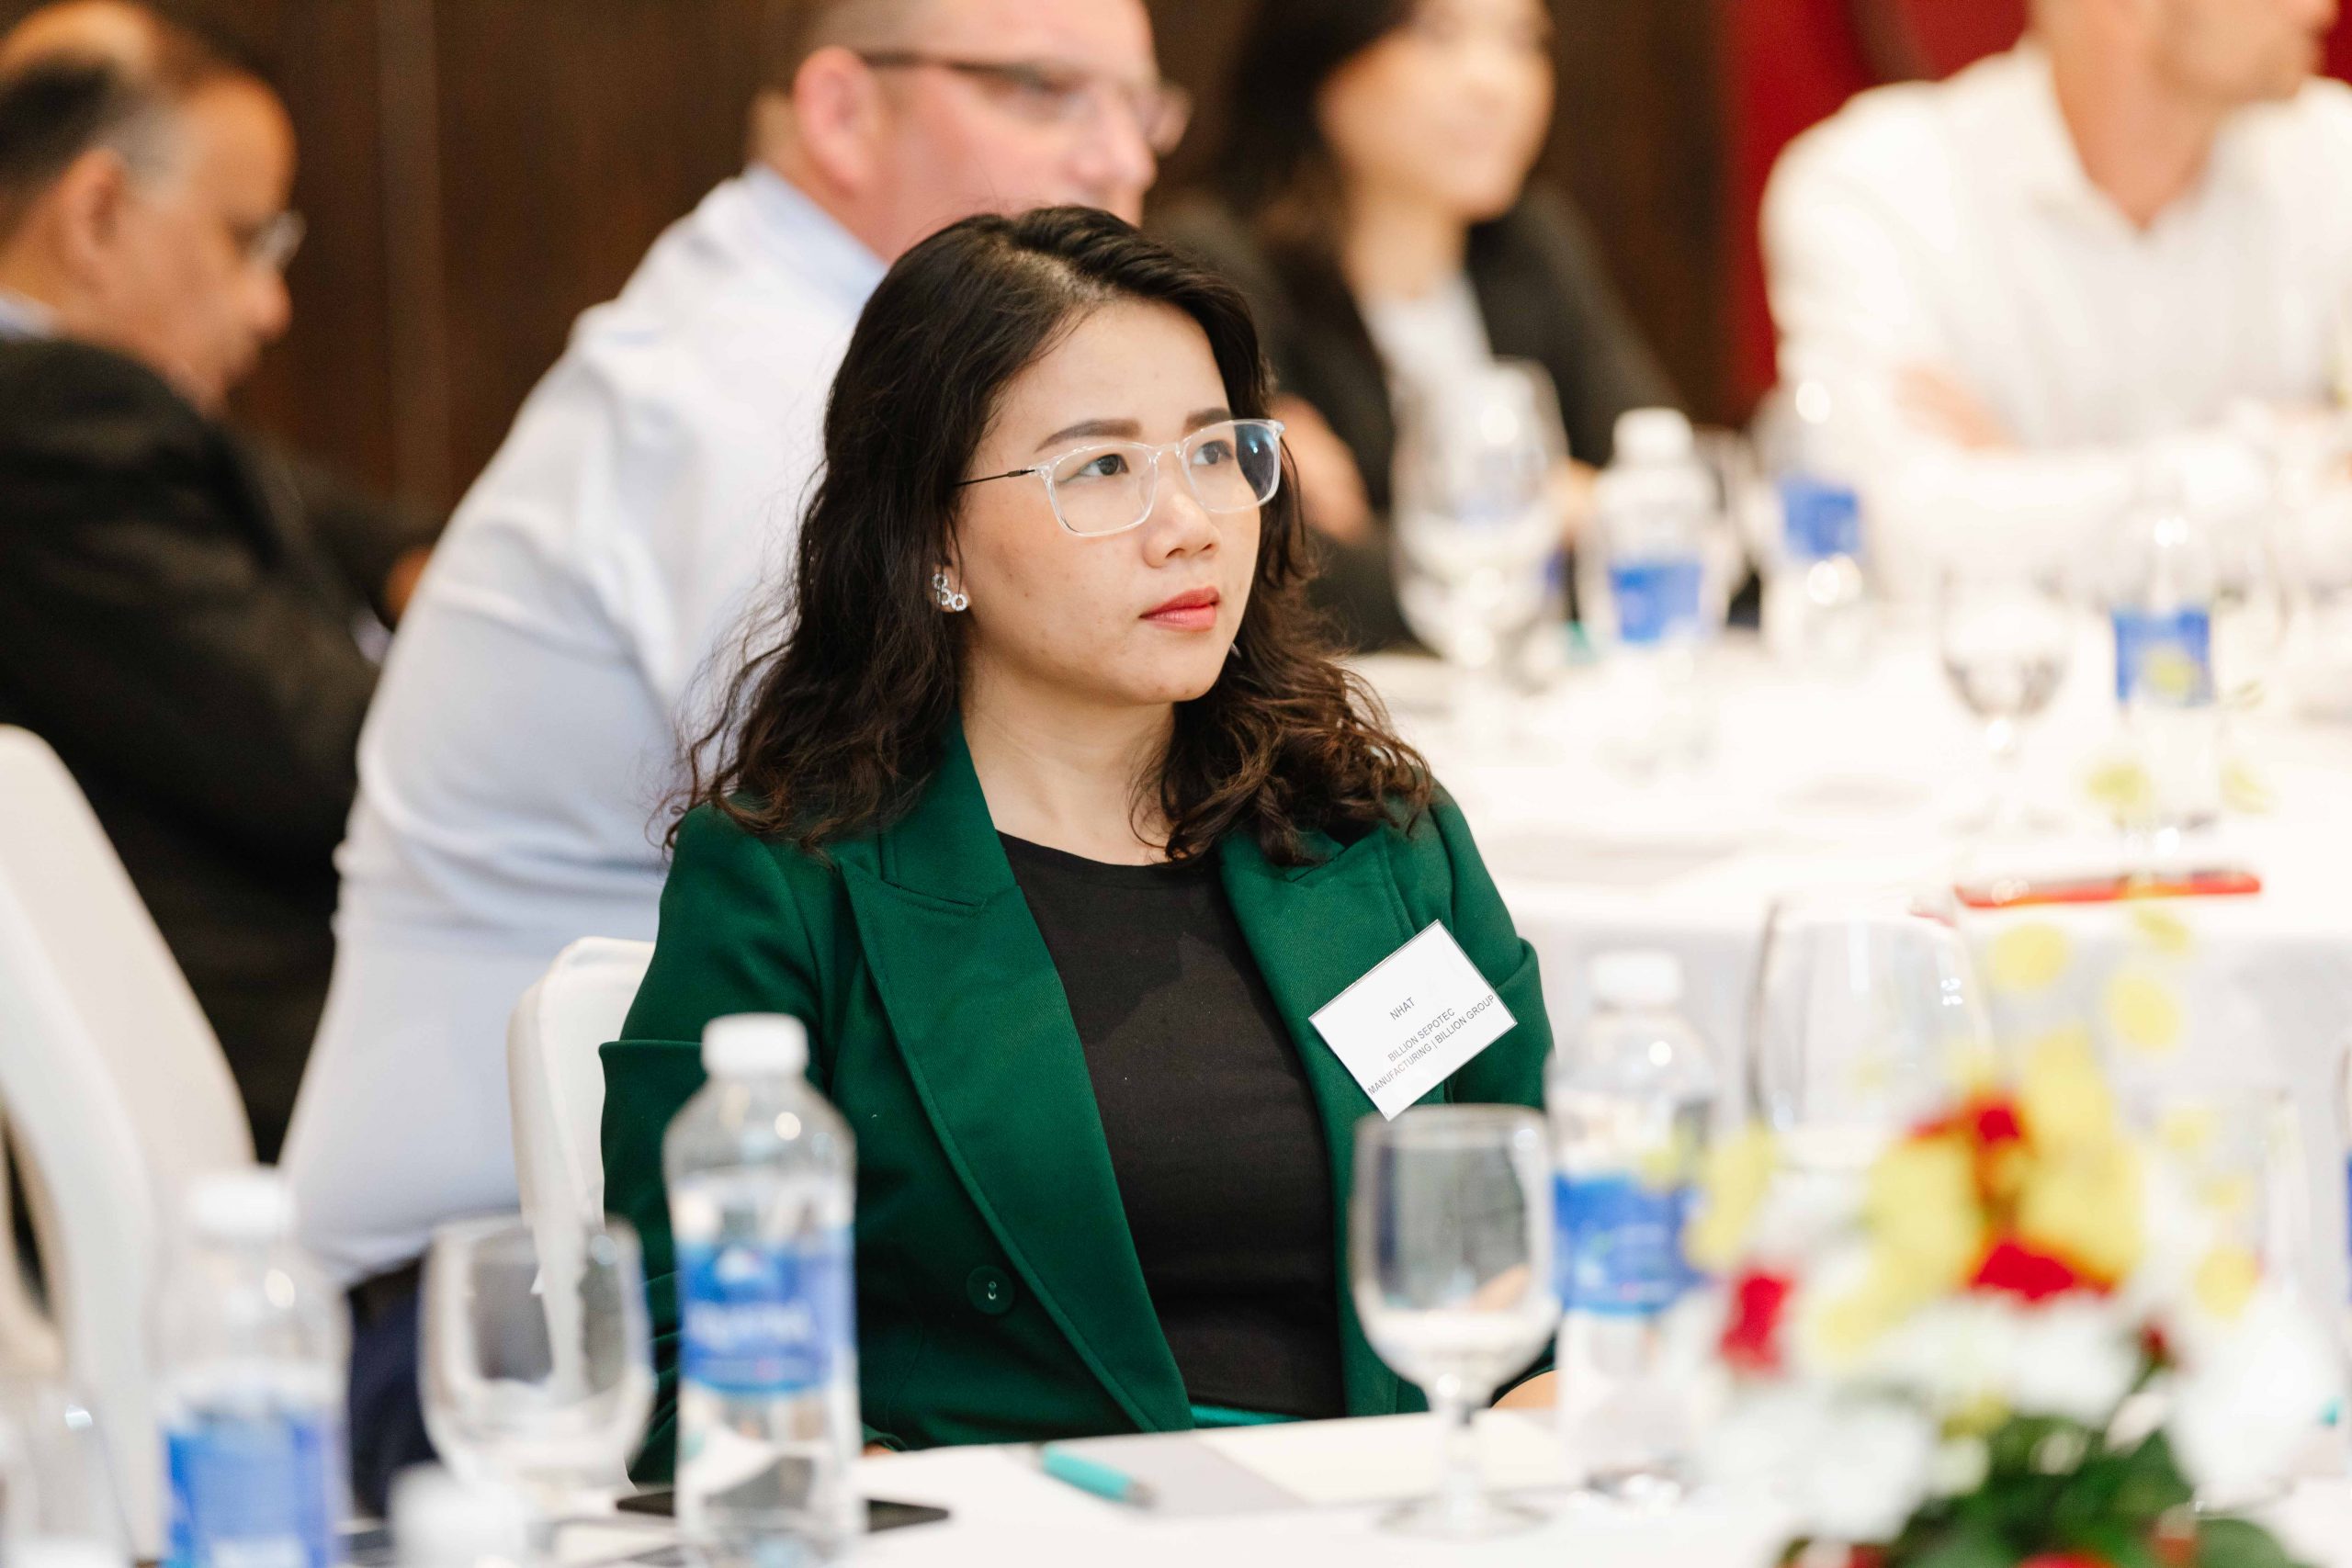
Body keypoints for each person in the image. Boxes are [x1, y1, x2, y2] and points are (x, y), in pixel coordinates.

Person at [279, 0, 1176, 1505]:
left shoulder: (832, 344)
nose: (1116, 160)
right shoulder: (753, 397)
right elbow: (950, 837)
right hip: (514, 1326)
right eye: (1045, 92)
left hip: (765, 1241)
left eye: (1143, 109)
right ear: (841, 113)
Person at [603, 206, 1555, 1463]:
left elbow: (1554, 1263)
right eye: (1101, 469)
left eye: (1216, 451)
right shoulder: (794, 882)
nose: (1189, 521)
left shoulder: (1368, 833)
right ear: (932, 535)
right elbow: (678, 1371)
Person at [0, 1, 435, 1162]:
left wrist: (418, 573)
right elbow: (329, 753)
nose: (269, 305)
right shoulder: (57, 421)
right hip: (264, 1076)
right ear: (96, 212)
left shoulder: (104, 408)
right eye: (246, 242)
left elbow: (326, 513)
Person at [1764, 0, 2352, 597]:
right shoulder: (1878, 190)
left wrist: (2014, 490)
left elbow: (1961, 540)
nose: (2319, 9)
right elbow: (1900, 547)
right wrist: (2281, 456)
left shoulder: (2335, 157)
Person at [1157, 0, 1675, 650]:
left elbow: (1665, 496)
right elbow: (1272, 571)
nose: (1496, 83)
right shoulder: (1214, 264)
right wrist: (1546, 517)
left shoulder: (1531, 245)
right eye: (1439, 34)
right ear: (1322, 53)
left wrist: (1406, 538)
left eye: (1523, 40)